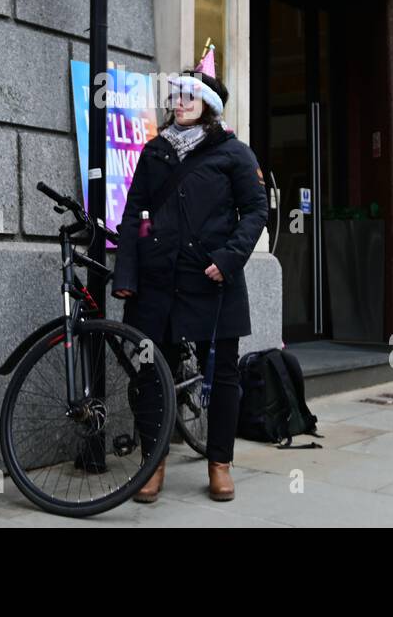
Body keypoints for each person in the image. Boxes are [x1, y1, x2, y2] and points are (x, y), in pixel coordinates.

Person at [111, 70, 267, 502]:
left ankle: (220, 463)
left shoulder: (234, 153)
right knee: (147, 372)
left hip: (214, 280)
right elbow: (132, 213)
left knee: (224, 375)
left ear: (209, 106)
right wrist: (126, 276)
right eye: (175, 97)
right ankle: (153, 462)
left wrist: (228, 258)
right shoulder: (155, 151)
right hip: (158, 282)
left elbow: (256, 211)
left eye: (187, 98)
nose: (177, 104)